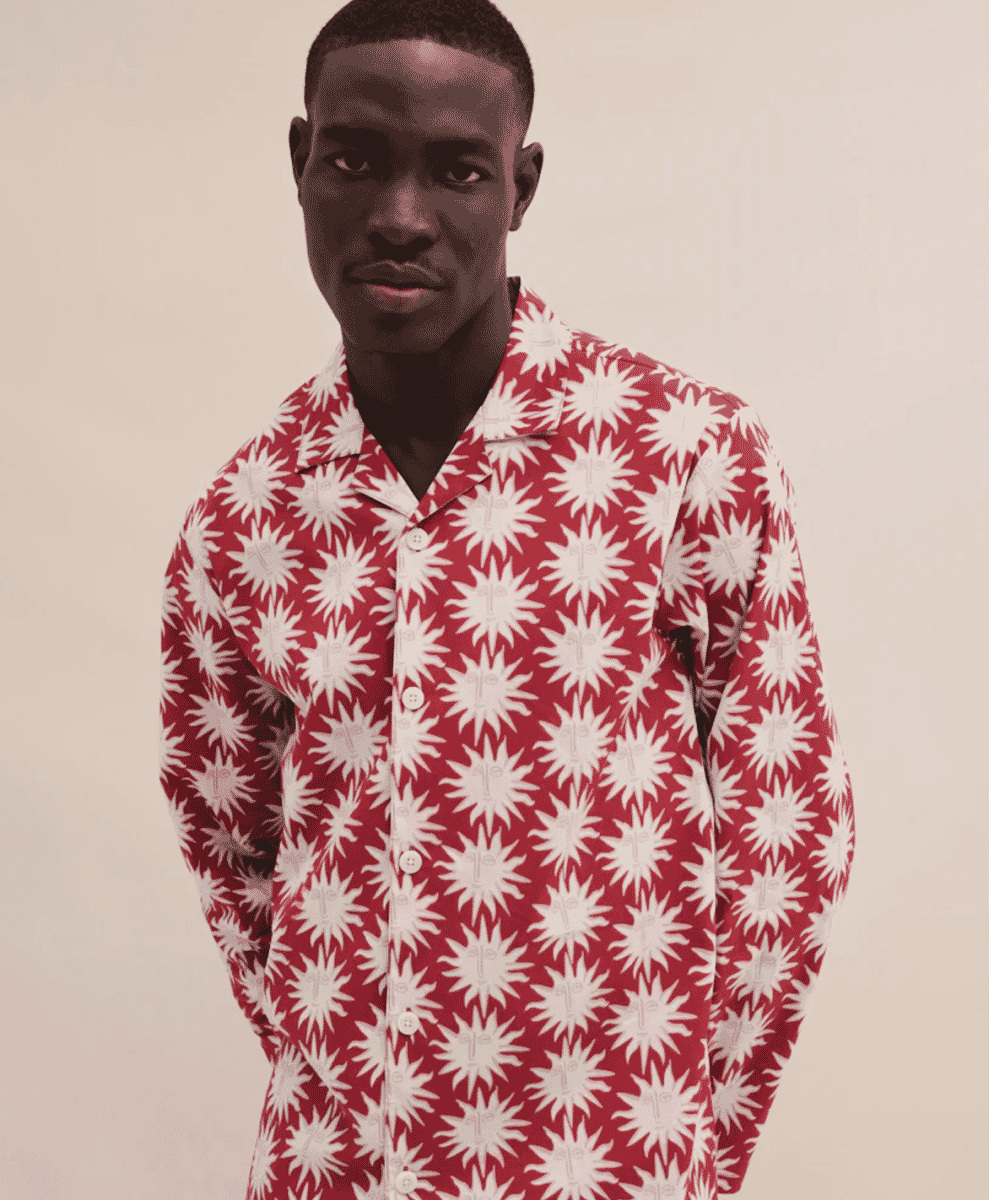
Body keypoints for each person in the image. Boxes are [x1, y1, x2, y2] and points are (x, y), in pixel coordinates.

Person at [158, 2, 855, 1198]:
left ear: (520, 187)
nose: (398, 216)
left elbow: (785, 840)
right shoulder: (240, 520)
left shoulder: (682, 456)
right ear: (300, 161)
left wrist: (678, 1141)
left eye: (456, 170)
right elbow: (235, 854)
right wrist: (350, 1076)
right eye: (355, 160)